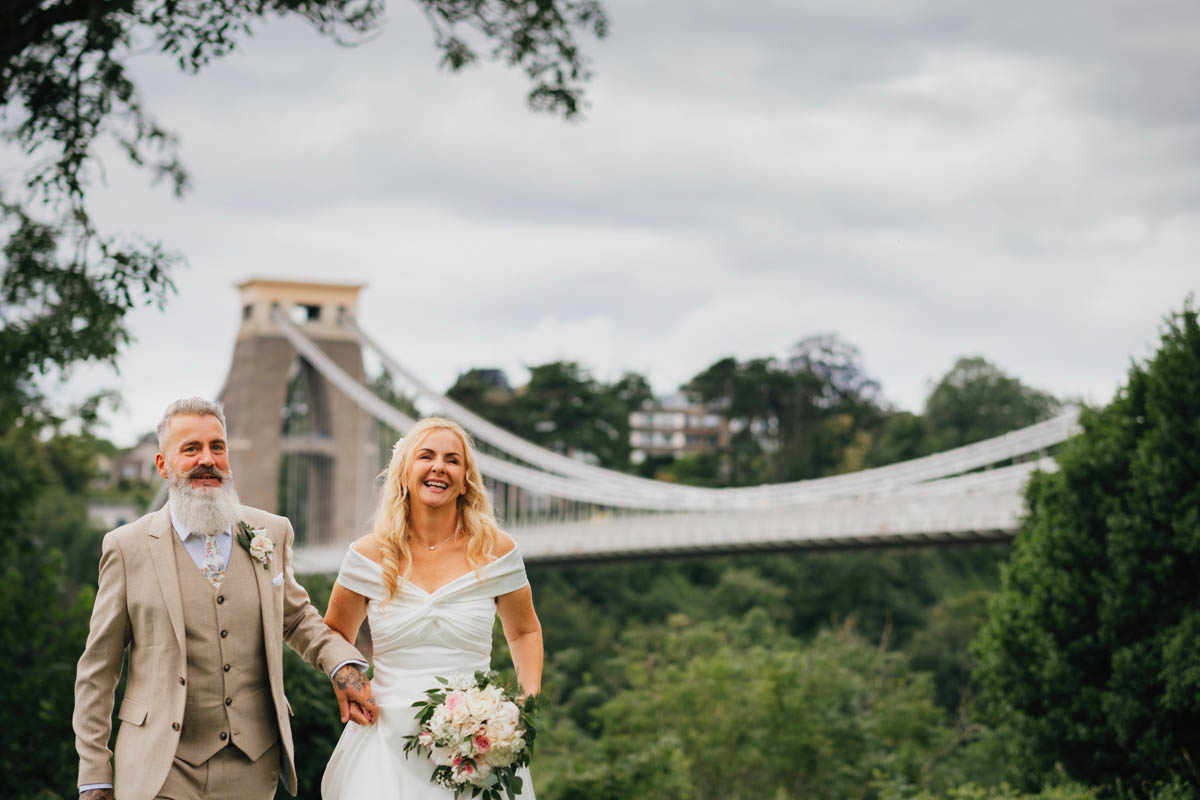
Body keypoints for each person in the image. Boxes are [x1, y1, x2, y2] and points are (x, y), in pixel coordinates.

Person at [73, 397, 378, 800]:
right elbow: (99, 669)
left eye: (217, 447)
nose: (208, 459)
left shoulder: (271, 530)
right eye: (191, 449)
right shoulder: (126, 547)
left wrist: (343, 666)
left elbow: (297, 619)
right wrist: (94, 775)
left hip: (252, 763)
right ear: (163, 465)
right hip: (158, 765)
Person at [321, 416, 543, 798]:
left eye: (452, 460)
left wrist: (524, 702)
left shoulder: (496, 550)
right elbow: (334, 635)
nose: (439, 466)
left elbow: (524, 630)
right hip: (384, 742)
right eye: (427, 456)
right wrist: (350, 682)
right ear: (404, 473)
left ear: (465, 480)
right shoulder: (368, 554)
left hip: (476, 747)